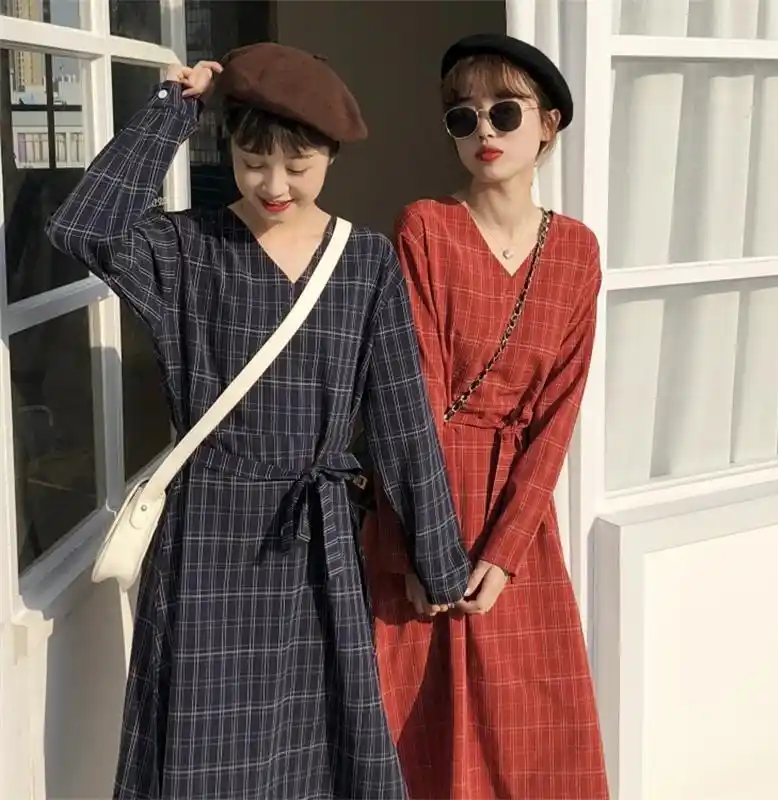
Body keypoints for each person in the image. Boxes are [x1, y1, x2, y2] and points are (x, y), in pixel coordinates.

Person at [46, 43, 471, 799]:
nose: (274, 185)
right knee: (206, 755)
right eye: (252, 162)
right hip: (209, 536)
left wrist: (439, 560)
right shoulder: (185, 248)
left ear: (331, 156)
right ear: (229, 150)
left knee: (322, 754)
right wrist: (176, 109)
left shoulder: (365, 262)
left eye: (297, 166)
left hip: (319, 540)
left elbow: (403, 419)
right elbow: (85, 227)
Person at [362, 34, 609, 799]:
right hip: (424, 503)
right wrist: (418, 548)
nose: (484, 131)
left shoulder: (576, 251)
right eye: (462, 117)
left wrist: (503, 554)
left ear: (549, 124)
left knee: (532, 741)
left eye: (505, 111)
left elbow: (557, 417)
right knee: (416, 735)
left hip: (517, 526)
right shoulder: (426, 229)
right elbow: (412, 396)